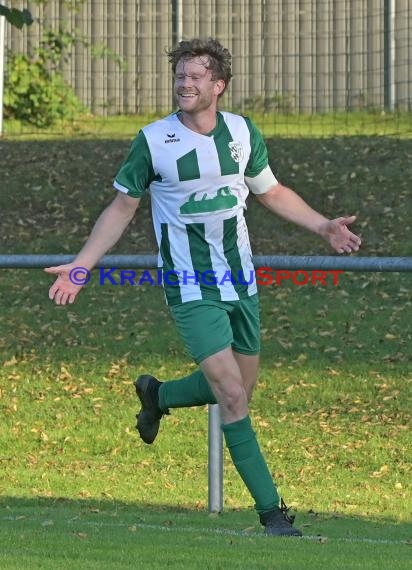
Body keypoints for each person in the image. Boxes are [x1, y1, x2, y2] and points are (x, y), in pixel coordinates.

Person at [45, 37, 361, 537]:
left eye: (195, 77)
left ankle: (158, 395)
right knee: (231, 395)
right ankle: (272, 514)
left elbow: (270, 190)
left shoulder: (240, 132)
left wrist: (323, 226)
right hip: (190, 284)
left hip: (242, 281)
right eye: (179, 76)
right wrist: (82, 266)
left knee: (240, 390)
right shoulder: (153, 141)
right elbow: (121, 209)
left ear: (219, 85)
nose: (184, 84)